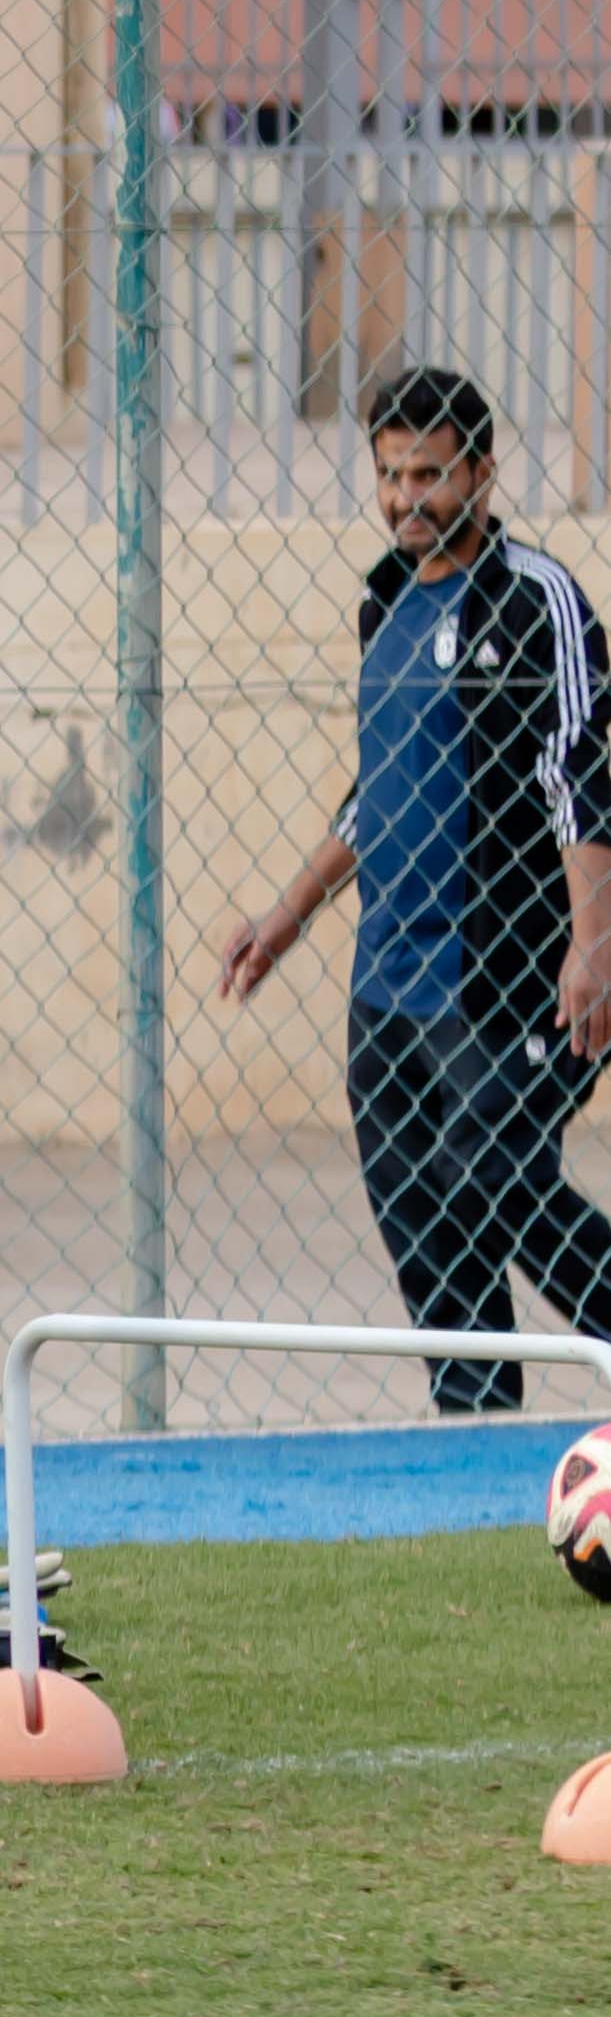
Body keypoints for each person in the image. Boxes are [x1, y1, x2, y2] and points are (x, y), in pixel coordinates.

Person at [217, 361, 611, 1411]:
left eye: (428, 475)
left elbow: (583, 776)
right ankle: (473, 1425)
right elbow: (377, 795)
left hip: (512, 969)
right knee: (423, 1212)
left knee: (495, 1173)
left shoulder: (536, 602)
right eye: (390, 475)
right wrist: (286, 917)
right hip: (390, 987)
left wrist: (592, 944)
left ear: (480, 474)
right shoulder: (385, 604)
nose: (404, 499)